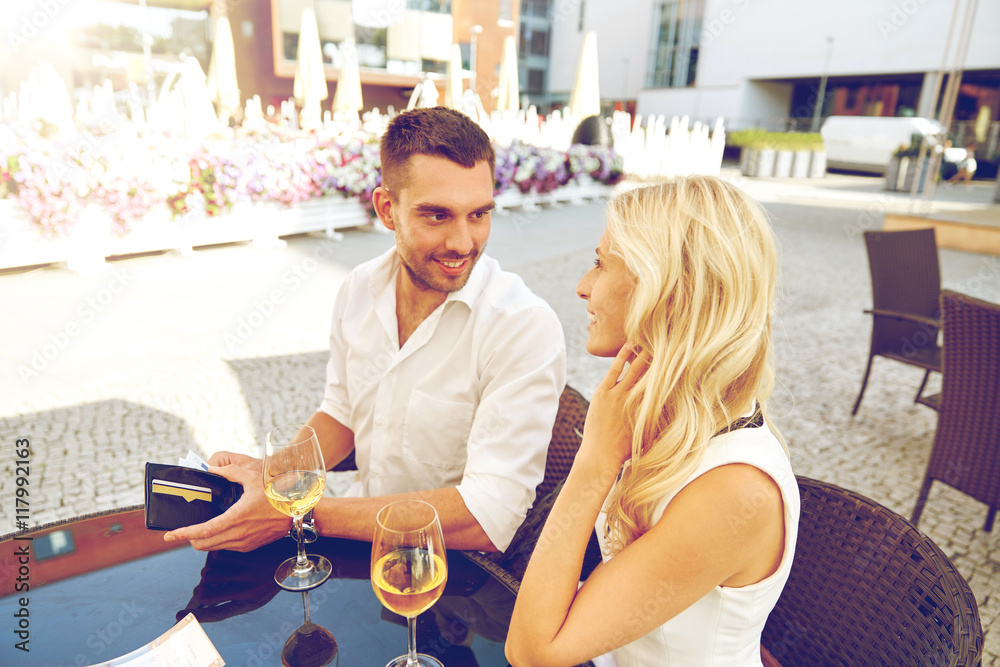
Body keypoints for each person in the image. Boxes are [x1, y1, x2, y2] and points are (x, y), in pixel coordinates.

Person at [166, 107, 566, 553]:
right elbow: (343, 412)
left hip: (457, 568)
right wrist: (272, 478)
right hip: (361, 532)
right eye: (437, 216)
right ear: (386, 209)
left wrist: (293, 514)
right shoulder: (358, 289)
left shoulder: (522, 327)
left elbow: (487, 518)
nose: (462, 243)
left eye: (478, 215)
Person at [505, 176, 799, 666]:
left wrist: (595, 461)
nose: (582, 286)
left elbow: (532, 651)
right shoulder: (676, 420)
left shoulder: (733, 489)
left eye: (600, 264)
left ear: (666, 291)